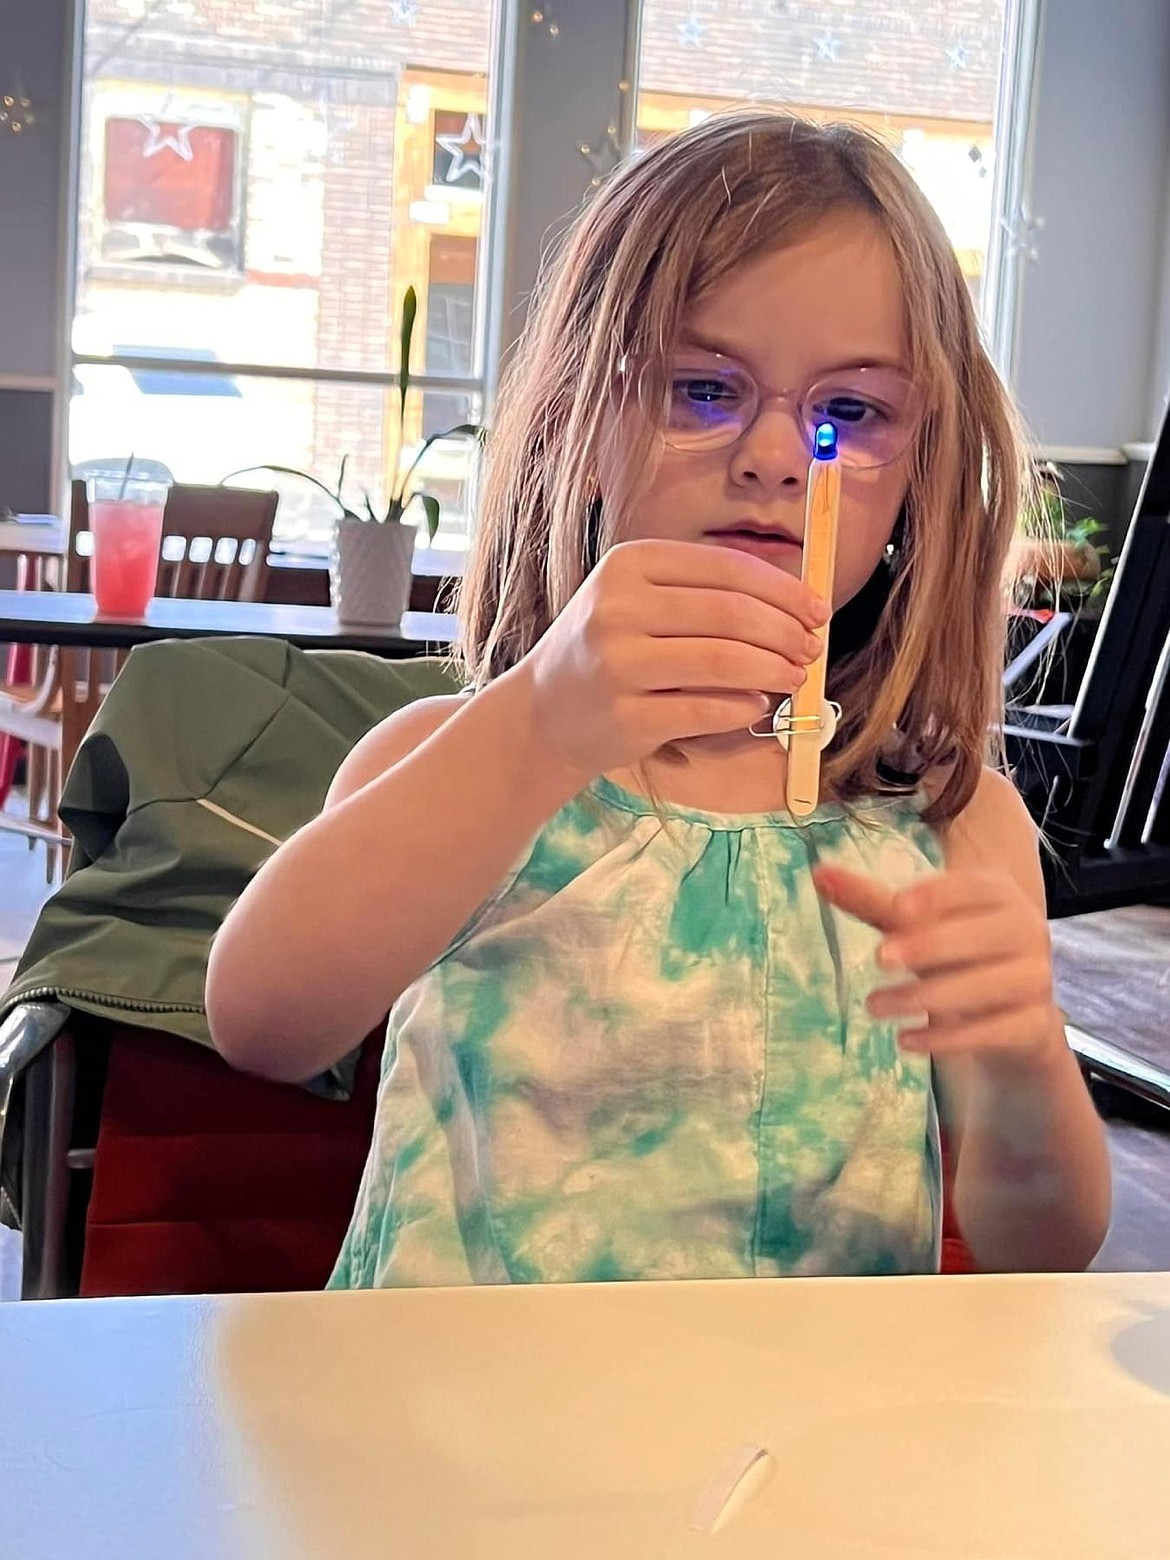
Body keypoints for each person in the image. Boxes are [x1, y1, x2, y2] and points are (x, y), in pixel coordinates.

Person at [207, 111, 1110, 1286]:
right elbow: (266, 1025)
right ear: (584, 424)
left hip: (805, 1443)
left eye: (853, 414)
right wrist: (535, 728)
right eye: (701, 388)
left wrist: (1023, 1055)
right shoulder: (465, 758)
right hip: (459, 1436)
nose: (780, 455)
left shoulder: (951, 825)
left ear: (918, 477)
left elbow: (1044, 1247)